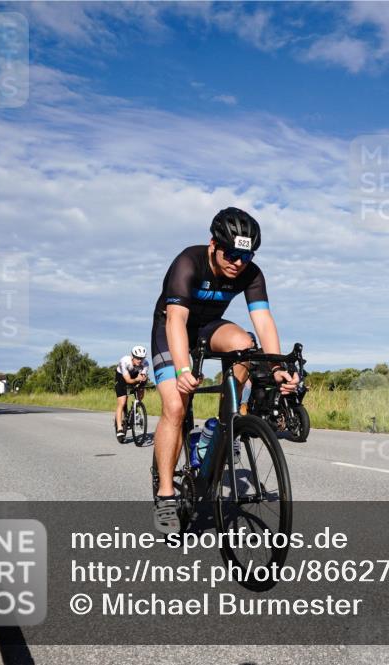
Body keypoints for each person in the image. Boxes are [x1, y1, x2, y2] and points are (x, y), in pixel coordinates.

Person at [149, 207, 300, 533]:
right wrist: (183, 370)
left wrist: (277, 367)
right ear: (213, 245)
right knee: (175, 406)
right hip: (171, 329)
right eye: (231, 254)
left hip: (208, 328)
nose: (238, 263)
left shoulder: (251, 273)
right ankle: (165, 495)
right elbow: (176, 320)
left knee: (245, 344)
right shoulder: (188, 262)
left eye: (246, 256)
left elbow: (263, 321)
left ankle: (220, 426)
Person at [115, 345, 150, 442]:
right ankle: (119, 428)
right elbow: (128, 380)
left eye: (142, 358)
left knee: (141, 388)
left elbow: (142, 376)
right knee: (122, 402)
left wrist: (142, 379)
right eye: (137, 358)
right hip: (122, 377)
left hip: (134, 375)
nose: (140, 360)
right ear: (132, 356)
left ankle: (136, 407)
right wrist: (137, 379)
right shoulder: (124, 361)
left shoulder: (145, 363)